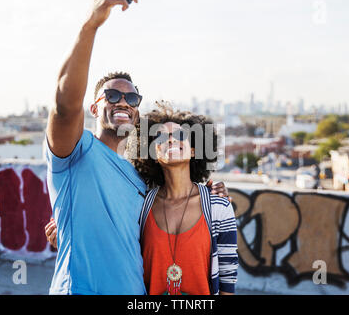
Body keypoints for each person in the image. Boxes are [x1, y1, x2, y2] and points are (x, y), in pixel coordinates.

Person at [45, 0, 229, 295]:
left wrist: (208, 194)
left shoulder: (142, 176)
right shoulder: (75, 153)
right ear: (94, 108)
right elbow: (65, 106)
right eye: (112, 96)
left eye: (131, 99)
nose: (123, 103)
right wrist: (91, 25)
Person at [47, 101, 238, 295]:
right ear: (154, 153)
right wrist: (67, 229)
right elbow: (110, 233)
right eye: (162, 137)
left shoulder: (217, 206)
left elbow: (227, 279)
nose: (171, 140)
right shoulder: (142, 204)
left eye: (181, 135)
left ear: (194, 150)